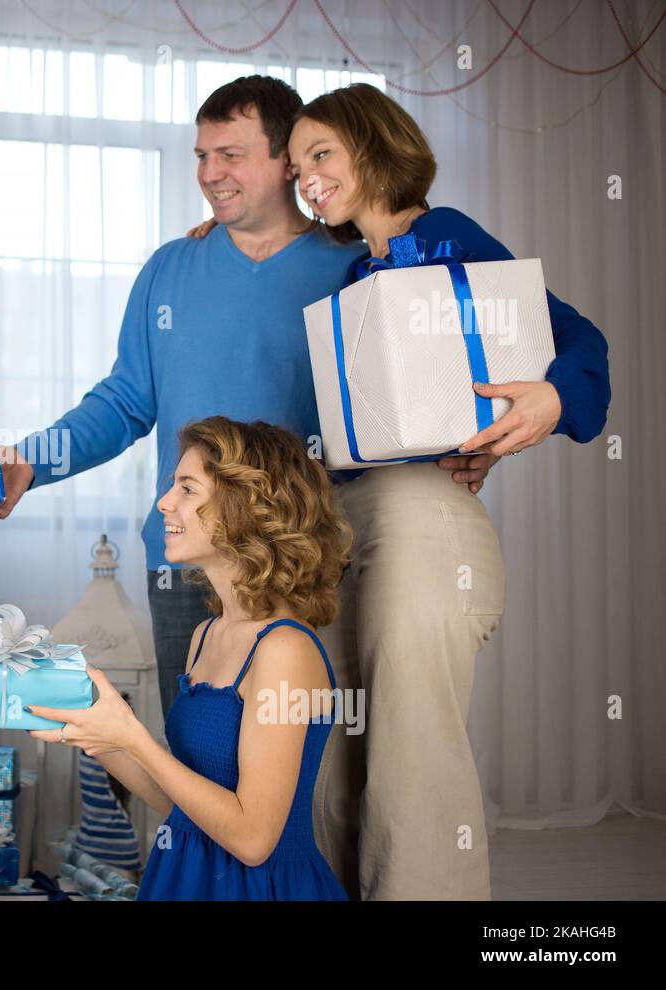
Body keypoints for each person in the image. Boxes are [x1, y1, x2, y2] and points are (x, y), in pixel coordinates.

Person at [188, 83, 610, 898]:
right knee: (332, 757)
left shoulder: (444, 237)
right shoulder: (353, 270)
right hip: (340, 527)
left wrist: (551, 402)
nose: (307, 177)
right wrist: (219, 231)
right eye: (299, 162)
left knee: (411, 764)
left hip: (421, 525)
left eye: (322, 156)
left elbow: (573, 335)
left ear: (376, 146)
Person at [0, 76, 426, 723]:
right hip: (186, 561)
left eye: (230, 155)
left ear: (285, 162)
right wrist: (30, 462)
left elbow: (403, 393)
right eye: (201, 157)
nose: (210, 174)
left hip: (304, 556)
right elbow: (124, 402)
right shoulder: (169, 267)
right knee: (197, 755)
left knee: (313, 774)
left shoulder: (350, 266)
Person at [28, 417, 351, 900]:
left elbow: (253, 840)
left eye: (187, 488)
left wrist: (133, 737)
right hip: (183, 876)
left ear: (246, 506)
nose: (165, 502)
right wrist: (99, 736)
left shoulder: (285, 650)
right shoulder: (207, 634)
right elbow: (180, 801)